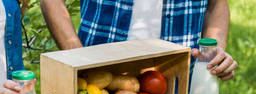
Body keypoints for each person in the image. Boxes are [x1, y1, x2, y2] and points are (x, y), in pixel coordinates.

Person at [40, 0, 238, 81]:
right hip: (98, 77)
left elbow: (216, 4)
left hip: (180, 83)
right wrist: (78, 56)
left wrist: (215, 51)